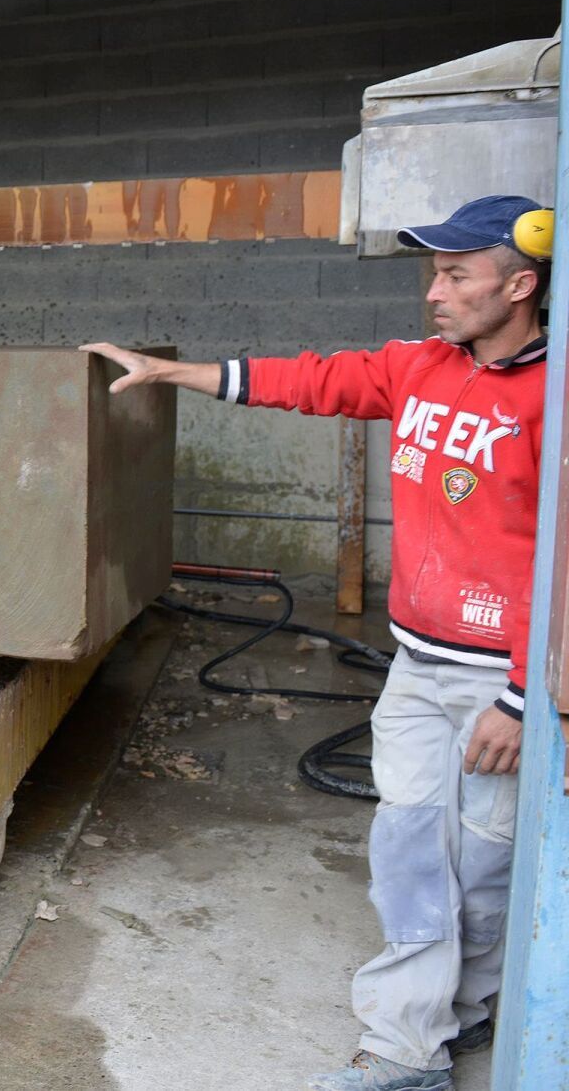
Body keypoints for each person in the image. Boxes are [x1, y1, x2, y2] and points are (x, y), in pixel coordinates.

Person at [84, 194, 549, 1091]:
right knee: (411, 849)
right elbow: (309, 380)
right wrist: (169, 372)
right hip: (419, 664)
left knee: (486, 870)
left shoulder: (555, 394)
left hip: (499, 676)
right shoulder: (419, 368)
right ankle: (404, 1048)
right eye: (432, 275)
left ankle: (468, 1008)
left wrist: (524, 695)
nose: (434, 294)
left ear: (521, 283)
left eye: (456, 275)